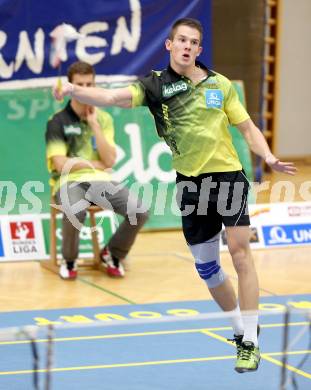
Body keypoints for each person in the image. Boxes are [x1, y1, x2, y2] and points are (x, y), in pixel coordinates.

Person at [53, 19, 297, 372]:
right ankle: (242, 329)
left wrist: (269, 156)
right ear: (169, 45)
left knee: (241, 253)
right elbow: (108, 97)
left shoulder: (220, 85)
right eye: (180, 40)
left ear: (199, 49)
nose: (186, 46)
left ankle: (250, 344)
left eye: (193, 42)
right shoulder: (155, 86)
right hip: (191, 185)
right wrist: (72, 91)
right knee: (208, 269)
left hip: (227, 177)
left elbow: (247, 128)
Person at [46, 61, 148, 280]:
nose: (85, 89)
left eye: (89, 84)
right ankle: (70, 260)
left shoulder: (104, 118)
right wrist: (93, 164)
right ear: (71, 86)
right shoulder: (57, 121)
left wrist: (94, 126)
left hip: (100, 181)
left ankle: (112, 253)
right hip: (67, 182)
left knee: (139, 211)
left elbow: (109, 160)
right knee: (76, 210)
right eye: (80, 84)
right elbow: (60, 164)